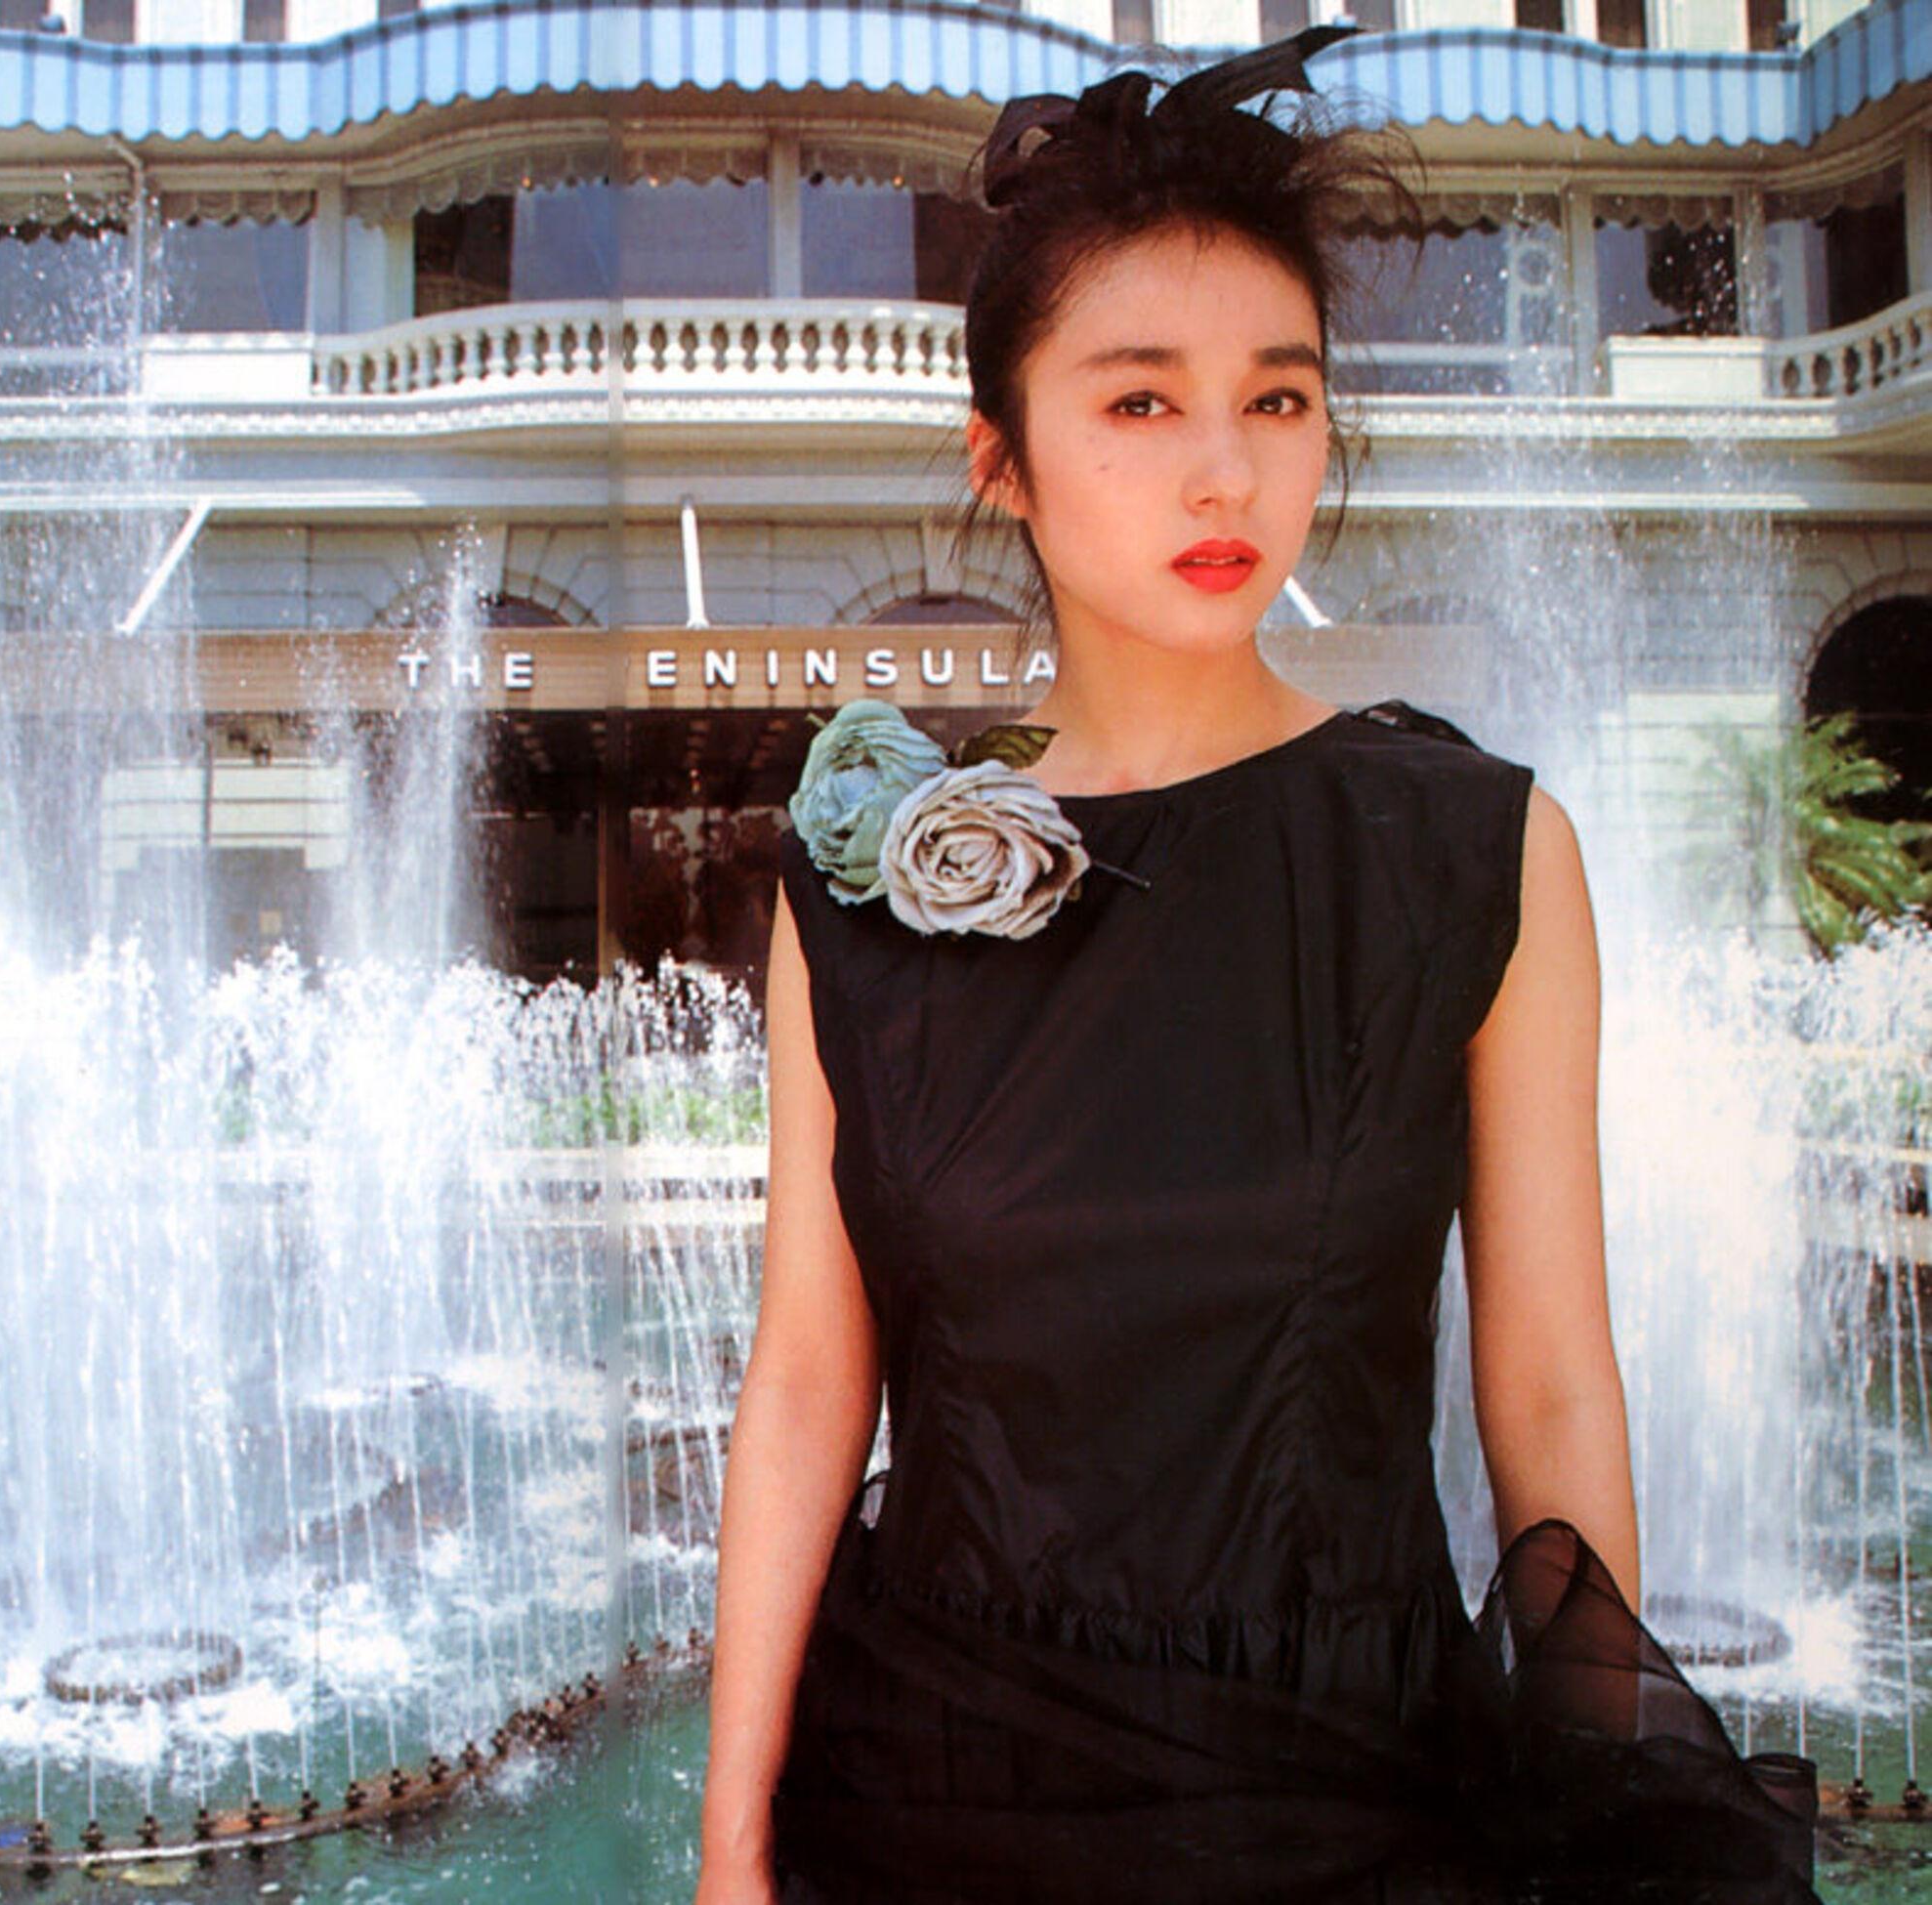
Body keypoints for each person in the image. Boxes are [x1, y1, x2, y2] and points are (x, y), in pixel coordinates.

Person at [693, 24, 1825, 1904]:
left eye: (1277, 399)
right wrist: (731, 1845)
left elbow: (1550, 1387)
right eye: (1141, 403)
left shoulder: (1477, 853)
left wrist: (1611, 1821)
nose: (1224, 470)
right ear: (1003, 459)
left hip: (1350, 1804)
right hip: (930, 1800)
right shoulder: (868, 898)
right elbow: (809, 1380)